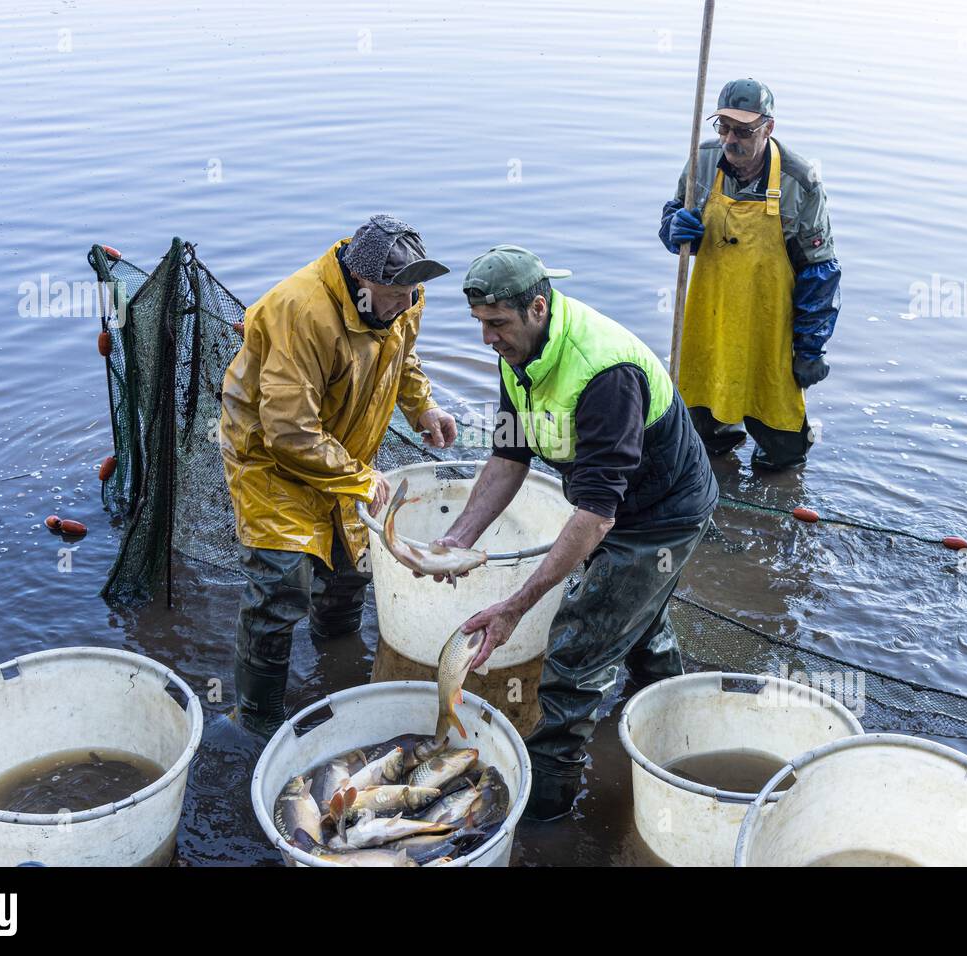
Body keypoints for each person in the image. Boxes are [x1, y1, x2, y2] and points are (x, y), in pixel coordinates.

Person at [431, 245, 717, 820]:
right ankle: (677, 729)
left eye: (497, 325)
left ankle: (544, 813)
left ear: (538, 307)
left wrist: (515, 605)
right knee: (637, 623)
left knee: (574, 656)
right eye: (479, 325)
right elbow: (510, 456)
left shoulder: (603, 373)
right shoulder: (519, 354)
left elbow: (595, 517)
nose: (487, 339)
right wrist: (456, 538)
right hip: (612, 505)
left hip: (659, 516)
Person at [218, 214, 457, 734]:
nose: (406, 304)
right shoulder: (299, 311)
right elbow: (289, 430)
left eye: (413, 291)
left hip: (345, 448)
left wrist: (424, 409)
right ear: (360, 281)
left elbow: (402, 358)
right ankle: (255, 723)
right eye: (394, 293)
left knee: (354, 566)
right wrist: (360, 480)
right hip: (270, 457)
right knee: (282, 585)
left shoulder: (403, 303)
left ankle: (338, 660)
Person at [660, 77, 841, 469]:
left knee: (784, 455)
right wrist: (674, 228)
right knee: (699, 442)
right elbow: (672, 216)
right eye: (723, 127)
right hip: (710, 322)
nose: (730, 140)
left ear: (768, 128)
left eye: (743, 131)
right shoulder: (702, 162)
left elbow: (819, 273)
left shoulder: (799, 182)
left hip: (768, 328)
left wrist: (810, 348)